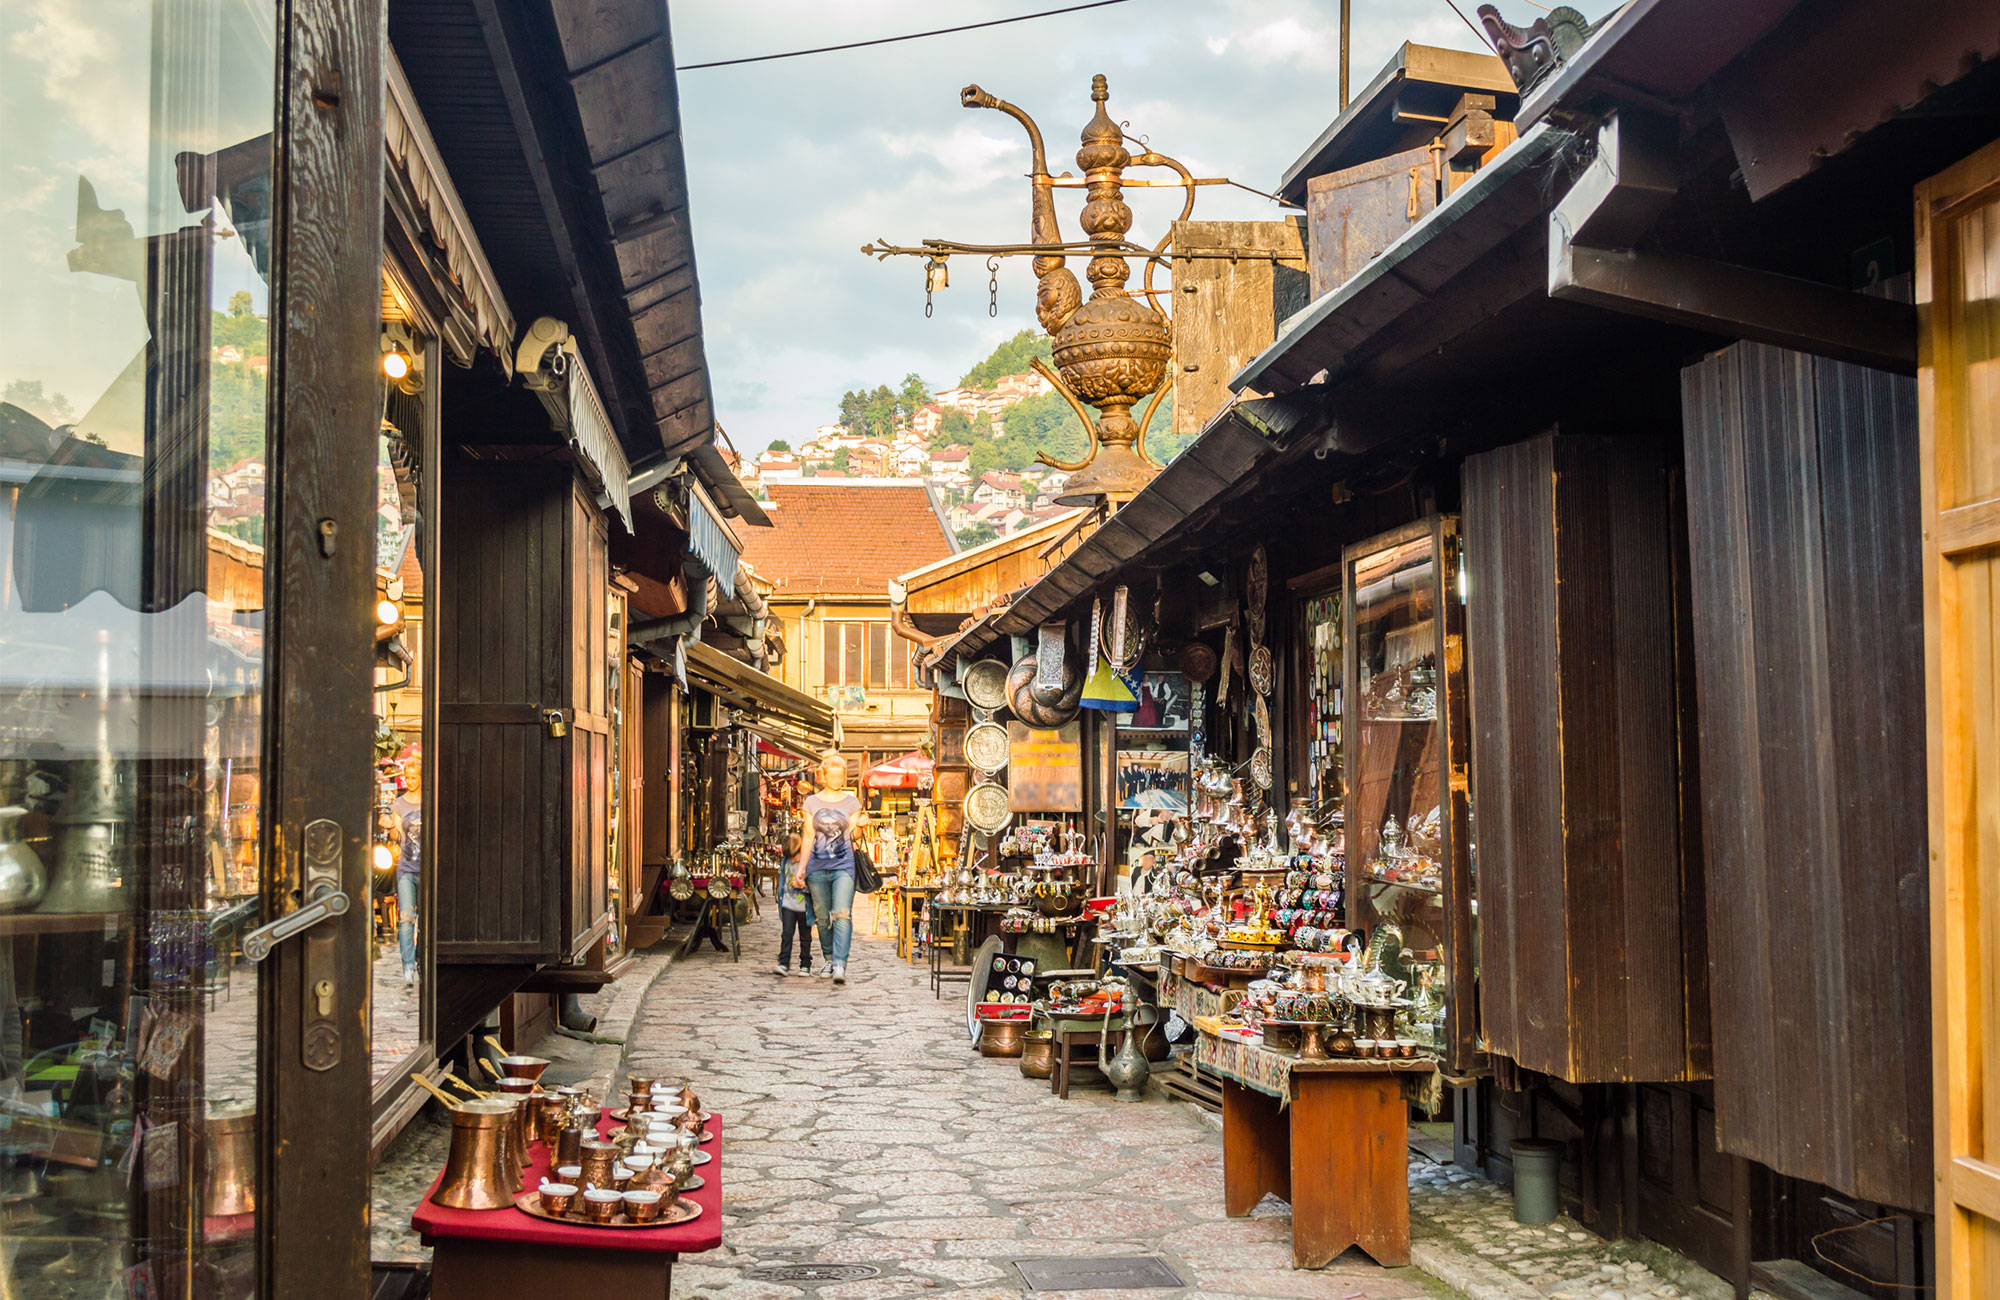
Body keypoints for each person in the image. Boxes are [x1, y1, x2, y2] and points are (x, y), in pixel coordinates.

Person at [793, 751, 866, 985]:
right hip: (817, 867)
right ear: (823, 776)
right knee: (822, 918)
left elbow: (853, 834)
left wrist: (862, 826)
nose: (838, 781)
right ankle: (829, 958)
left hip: (843, 865)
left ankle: (840, 965)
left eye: (841, 777)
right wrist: (801, 869)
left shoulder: (852, 803)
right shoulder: (811, 802)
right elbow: (808, 836)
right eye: (833, 777)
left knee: (842, 914)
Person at [388, 751, 422, 988]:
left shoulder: (428, 800)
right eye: (407, 778)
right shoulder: (398, 804)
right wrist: (392, 829)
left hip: (427, 868)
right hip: (407, 867)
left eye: (413, 777)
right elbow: (396, 831)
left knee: (427, 921)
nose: (409, 781)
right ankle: (408, 965)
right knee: (406, 918)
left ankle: (420, 960)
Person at [773, 871, 815, 977]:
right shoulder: (786, 862)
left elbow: (814, 884)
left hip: (804, 906)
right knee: (787, 933)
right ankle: (784, 963)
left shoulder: (808, 863)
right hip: (788, 904)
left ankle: (805, 964)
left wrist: (804, 886)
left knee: (805, 936)